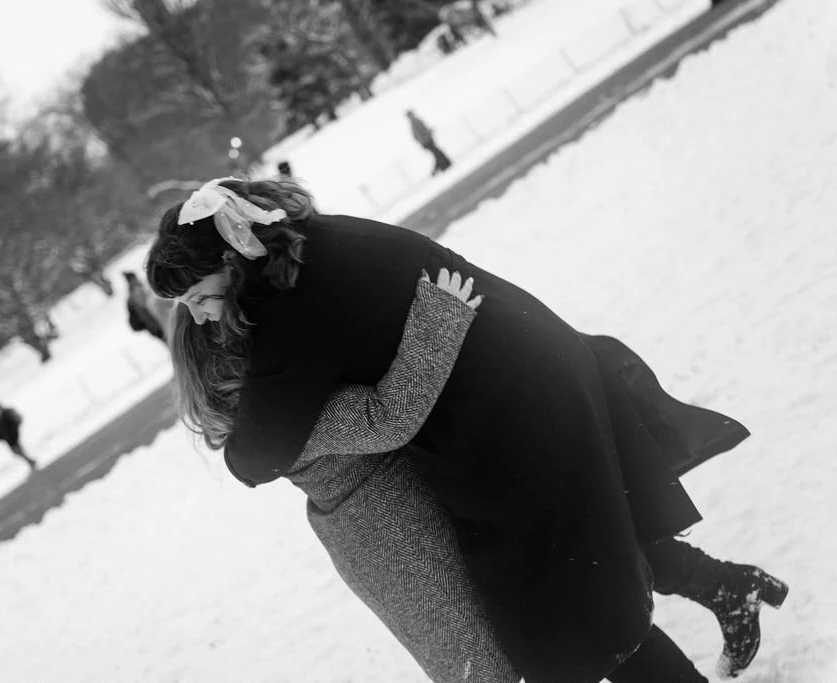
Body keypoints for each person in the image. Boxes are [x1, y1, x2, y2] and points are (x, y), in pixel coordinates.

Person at [145, 178, 788, 683]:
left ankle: (721, 597)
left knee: (567, 610)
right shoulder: (309, 246)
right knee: (588, 558)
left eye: (198, 296)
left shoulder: (288, 306)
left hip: (512, 415)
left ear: (233, 260)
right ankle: (727, 588)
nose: (201, 316)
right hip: (536, 369)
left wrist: (436, 327)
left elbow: (254, 456)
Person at [0, 399, 37, 470]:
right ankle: (30, 461)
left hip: (11, 433)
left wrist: (13, 431)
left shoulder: (0, 412)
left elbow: (11, 421)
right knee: (16, 451)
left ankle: (31, 461)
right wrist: (0, 435)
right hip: (7, 435)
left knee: (17, 449)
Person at [124, 271, 173, 343]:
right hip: (156, 324)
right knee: (172, 342)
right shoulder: (137, 292)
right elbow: (147, 308)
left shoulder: (133, 294)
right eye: (134, 278)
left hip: (154, 326)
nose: (137, 279)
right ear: (132, 279)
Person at [406, 110, 452, 174]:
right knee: (438, 153)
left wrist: (428, 133)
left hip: (427, 141)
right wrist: (425, 138)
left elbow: (419, 134)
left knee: (437, 154)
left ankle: (443, 166)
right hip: (427, 141)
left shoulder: (415, 122)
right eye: (410, 114)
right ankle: (445, 165)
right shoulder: (415, 122)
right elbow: (419, 134)